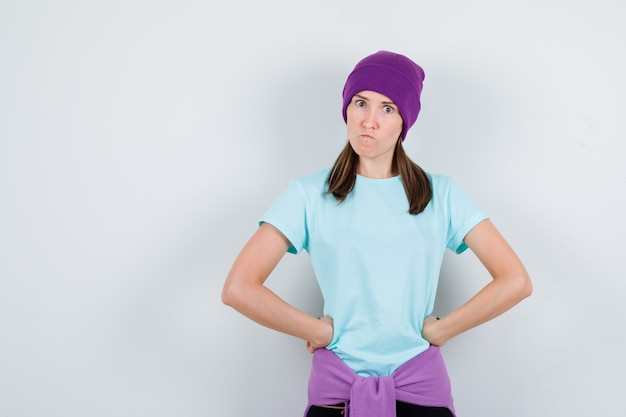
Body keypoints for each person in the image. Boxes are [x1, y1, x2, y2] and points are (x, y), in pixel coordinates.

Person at [222, 50, 532, 417]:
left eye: (387, 108)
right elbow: (239, 287)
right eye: (361, 103)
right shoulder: (307, 195)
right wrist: (316, 331)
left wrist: (443, 330)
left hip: (421, 393)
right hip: (337, 393)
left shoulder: (442, 194)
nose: (369, 121)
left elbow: (515, 280)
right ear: (346, 110)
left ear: (405, 121)